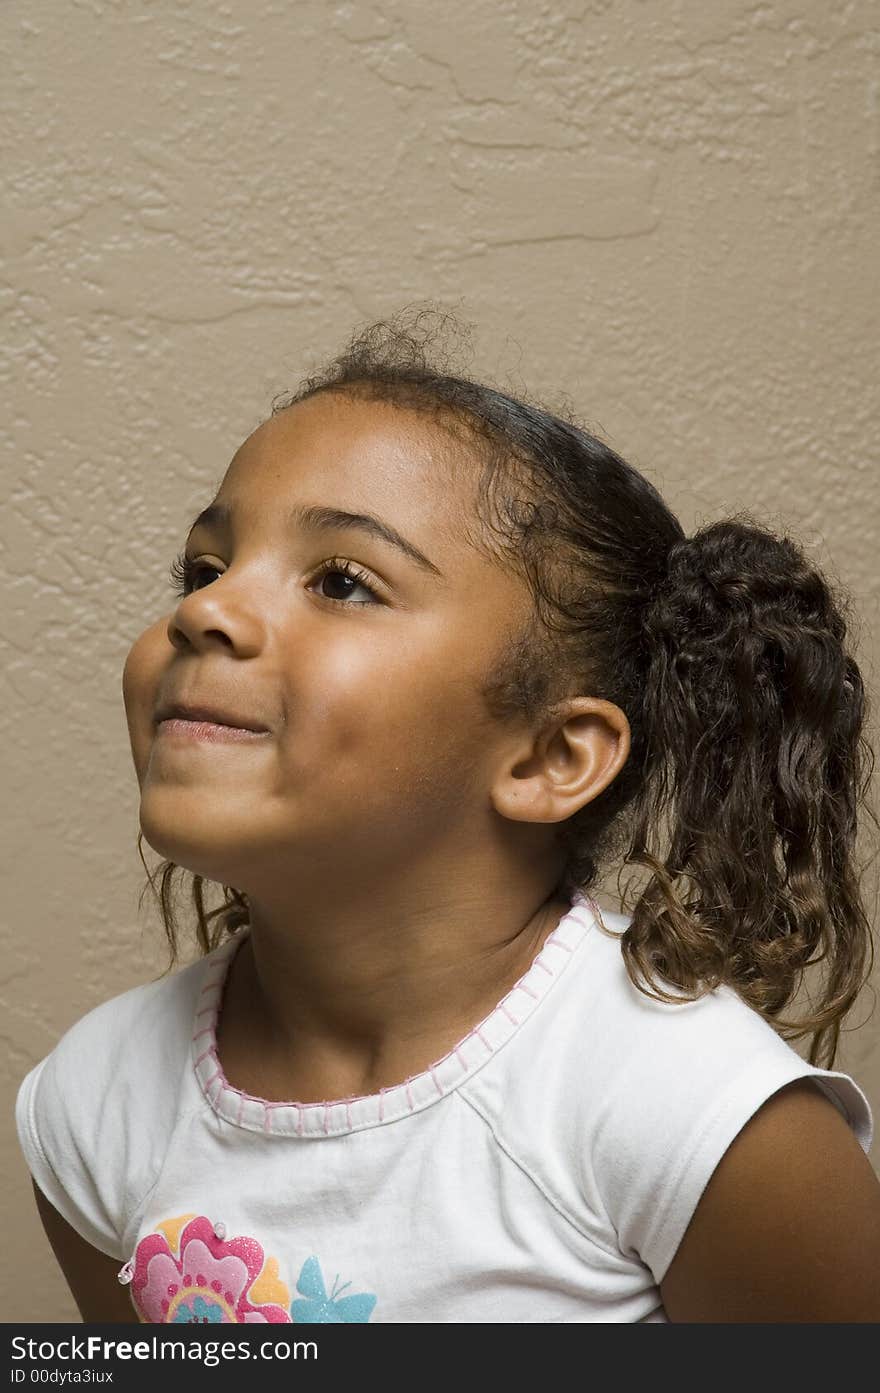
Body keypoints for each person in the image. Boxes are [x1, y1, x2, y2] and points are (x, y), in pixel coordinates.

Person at [15, 309, 880, 1323]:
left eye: (342, 580)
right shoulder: (94, 1102)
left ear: (550, 756)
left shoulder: (695, 1118)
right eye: (204, 568)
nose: (202, 611)